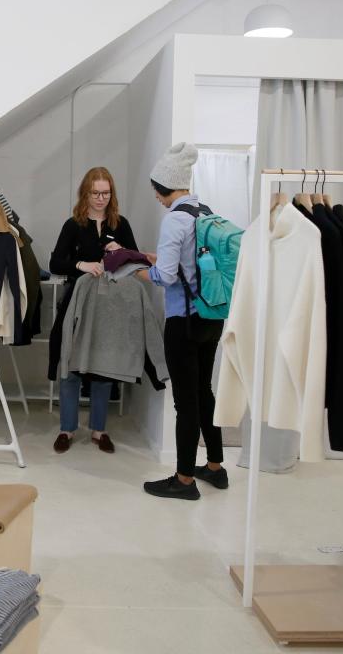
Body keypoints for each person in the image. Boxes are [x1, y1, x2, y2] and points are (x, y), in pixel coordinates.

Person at [137, 142, 227, 501]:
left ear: (163, 187)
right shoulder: (204, 211)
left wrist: (140, 272)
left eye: (157, 192)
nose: (157, 198)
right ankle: (215, 467)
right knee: (204, 392)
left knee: (185, 403)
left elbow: (167, 276)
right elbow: (193, 263)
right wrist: (159, 261)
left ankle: (185, 480)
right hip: (211, 317)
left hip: (184, 323)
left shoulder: (174, 218)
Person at [48, 167, 137, 454]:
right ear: (85, 193)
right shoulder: (72, 225)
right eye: (96, 193)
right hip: (77, 301)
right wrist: (81, 265)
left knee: (103, 365)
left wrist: (120, 250)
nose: (101, 198)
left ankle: (99, 430)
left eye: (106, 193)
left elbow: (135, 263)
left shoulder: (120, 223)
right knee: (70, 364)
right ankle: (67, 428)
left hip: (109, 306)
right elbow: (55, 264)